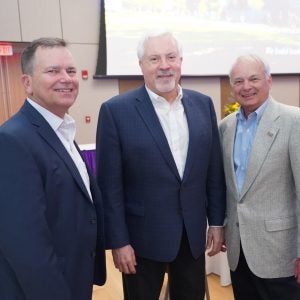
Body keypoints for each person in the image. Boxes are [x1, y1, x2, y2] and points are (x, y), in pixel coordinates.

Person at [96, 30, 226, 300]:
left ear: (181, 61)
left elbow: (213, 171)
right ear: (141, 65)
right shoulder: (116, 111)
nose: (164, 65)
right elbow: (110, 186)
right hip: (141, 241)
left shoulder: (203, 105)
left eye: (171, 57)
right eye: (154, 58)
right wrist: (119, 241)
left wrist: (216, 221)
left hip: (191, 238)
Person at [0, 37, 106, 300]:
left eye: (70, 71)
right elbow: (26, 245)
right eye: (52, 71)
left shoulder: (61, 130)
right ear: (27, 83)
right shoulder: (13, 140)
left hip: (73, 277)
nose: (66, 78)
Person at [219, 54, 300, 300]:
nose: (246, 87)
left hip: (280, 254)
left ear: (269, 80)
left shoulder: (294, 121)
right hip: (239, 252)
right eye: (238, 81)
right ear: (232, 87)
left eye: (254, 79)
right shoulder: (225, 127)